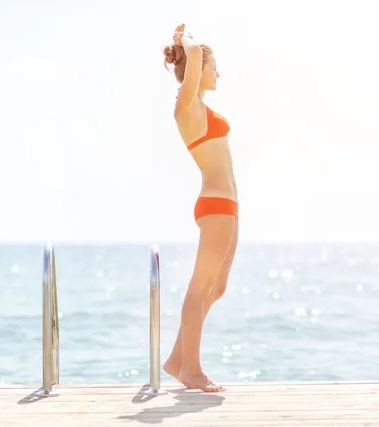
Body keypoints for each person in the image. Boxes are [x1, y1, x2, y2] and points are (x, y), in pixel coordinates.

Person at [161, 24, 238, 392]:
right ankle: (191, 369)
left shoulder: (201, 106)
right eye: (214, 67)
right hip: (215, 204)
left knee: (217, 287)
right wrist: (184, 41)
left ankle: (177, 359)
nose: (218, 72)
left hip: (229, 205)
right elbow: (193, 54)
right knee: (199, 288)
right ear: (197, 72)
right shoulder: (186, 106)